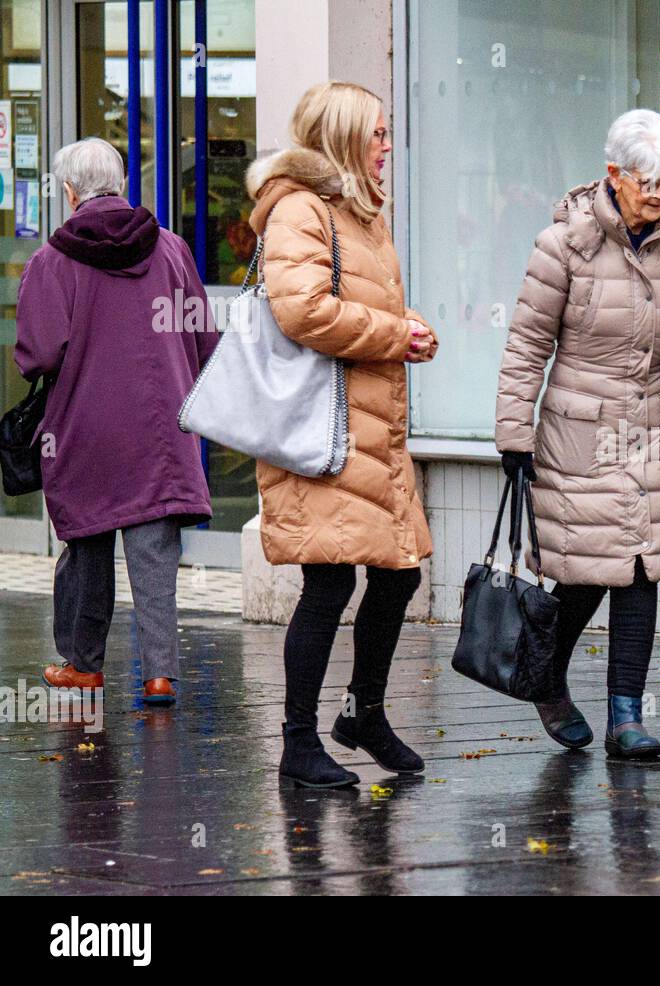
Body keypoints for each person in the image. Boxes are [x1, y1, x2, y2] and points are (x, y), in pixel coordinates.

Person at [496, 109, 660, 759]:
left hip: (658, 422)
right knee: (587, 569)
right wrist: (513, 435)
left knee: (643, 564)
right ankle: (544, 676)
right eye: (651, 183)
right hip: (582, 426)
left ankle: (626, 715)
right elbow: (528, 344)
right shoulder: (563, 247)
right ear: (614, 175)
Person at [247, 82, 436, 788]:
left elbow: (364, 300)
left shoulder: (359, 212)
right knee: (327, 584)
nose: (388, 146)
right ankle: (299, 743)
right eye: (378, 134)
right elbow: (303, 312)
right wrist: (394, 335)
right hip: (319, 434)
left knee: (400, 572)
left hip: (371, 434)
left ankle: (363, 713)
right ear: (344, 139)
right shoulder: (300, 209)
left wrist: (411, 325)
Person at [15, 137, 216, 706]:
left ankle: (85, 664)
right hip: (161, 428)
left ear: (71, 191)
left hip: (85, 428)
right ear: (121, 184)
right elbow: (203, 336)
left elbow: (39, 355)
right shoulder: (171, 249)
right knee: (155, 552)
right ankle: (158, 675)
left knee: (87, 541)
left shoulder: (52, 261)